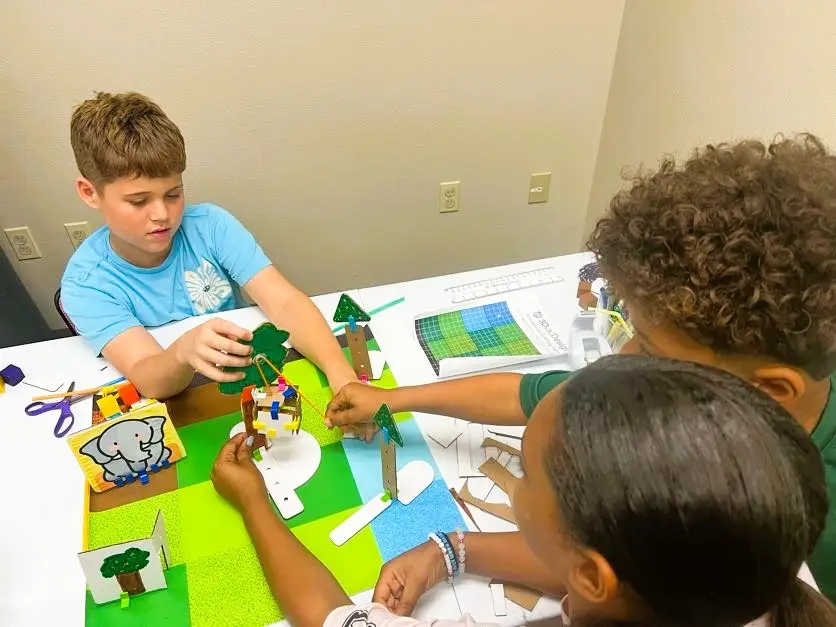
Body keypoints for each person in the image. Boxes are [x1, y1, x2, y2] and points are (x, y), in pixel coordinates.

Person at [325, 135, 836, 600]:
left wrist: (454, 550)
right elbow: (528, 394)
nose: (623, 356)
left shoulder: (786, 520)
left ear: (771, 389)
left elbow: (629, 579)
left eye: (652, 347)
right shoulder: (695, 396)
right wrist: (395, 400)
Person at [212, 356, 836, 627]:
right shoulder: (768, 570)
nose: (512, 480)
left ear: (591, 575)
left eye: (527, 476)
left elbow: (327, 613)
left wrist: (252, 500)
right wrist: (453, 549)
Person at [61, 92, 356, 399]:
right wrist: (181, 352)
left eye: (173, 194)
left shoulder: (211, 225)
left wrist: (343, 376)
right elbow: (150, 378)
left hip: (249, 380)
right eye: (139, 201)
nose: (162, 215)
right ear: (89, 192)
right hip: (186, 394)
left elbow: (285, 303)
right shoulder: (86, 285)